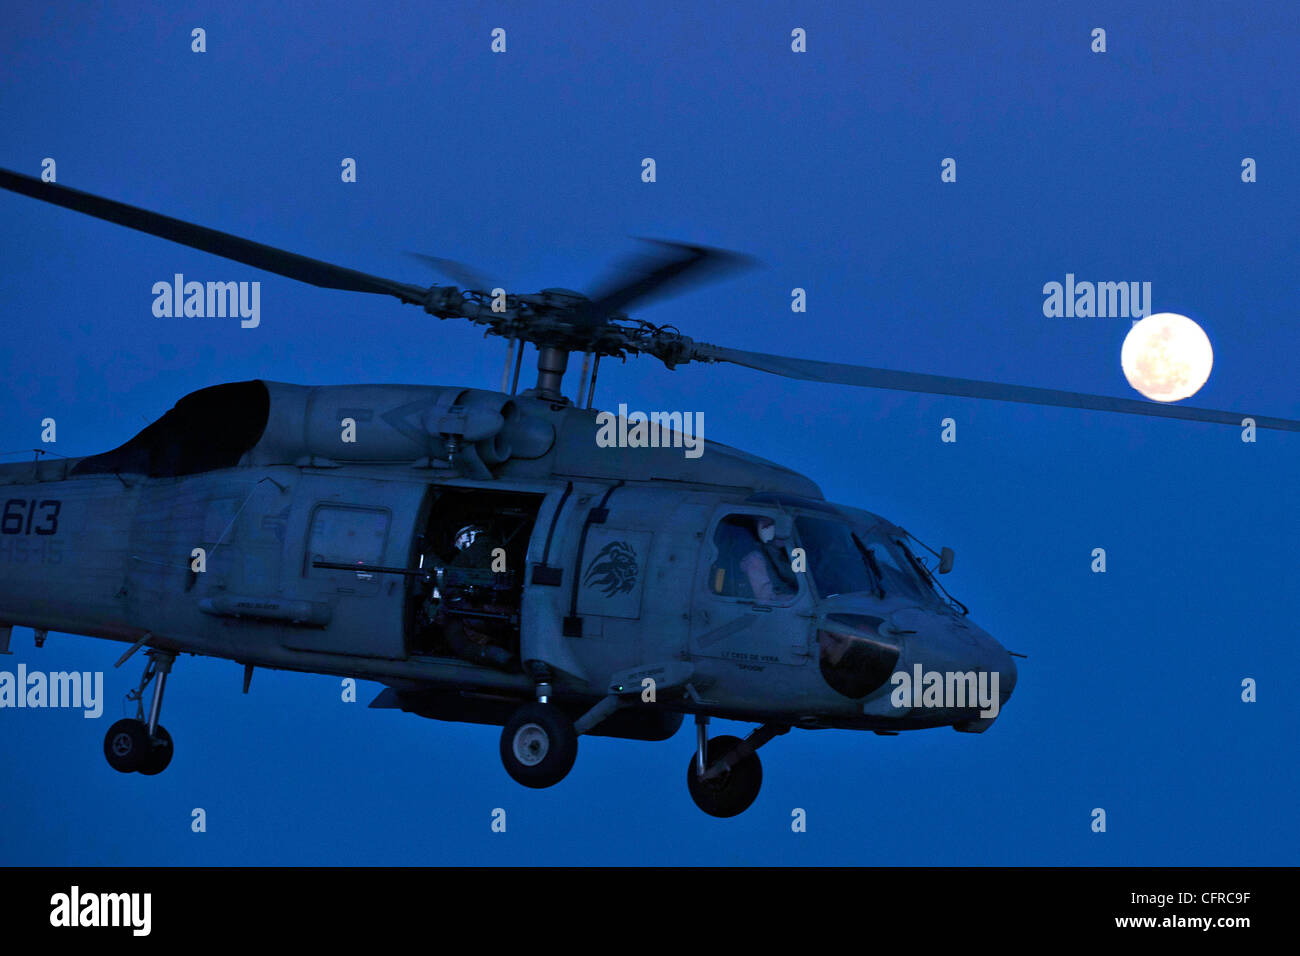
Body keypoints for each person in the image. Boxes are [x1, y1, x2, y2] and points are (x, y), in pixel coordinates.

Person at [438, 524, 518, 671]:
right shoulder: (500, 548)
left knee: (451, 625)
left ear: (468, 536)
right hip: (504, 610)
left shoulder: (474, 551)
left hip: (486, 610)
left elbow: (450, 578)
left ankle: (497, 656)